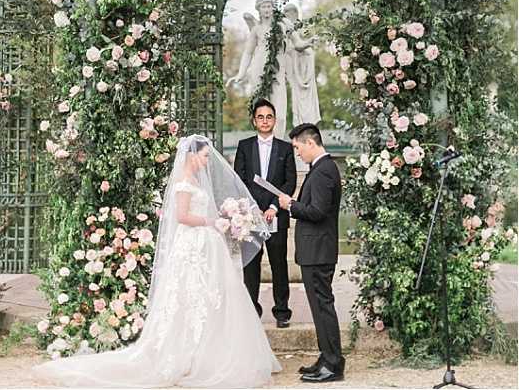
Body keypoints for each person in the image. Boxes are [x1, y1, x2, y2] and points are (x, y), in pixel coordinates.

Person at [37, 135, 281, 388]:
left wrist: (225, 217)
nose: (208, 160)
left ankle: (205, 351)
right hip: (192, 246)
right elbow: (183, 216)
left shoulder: (197, 180)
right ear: (192, 155)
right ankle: (186, 353)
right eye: (205, 155)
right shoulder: (184, 183)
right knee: (189, 296)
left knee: (211, 296)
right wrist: (212, 222)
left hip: (205, 245)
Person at [278, 123, 345, 384]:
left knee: (323, 306)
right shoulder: (321, 169)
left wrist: (290, 205)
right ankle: (326, 356)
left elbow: (317, 212)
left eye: (297, 147)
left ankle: (333, 364)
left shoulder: (324, 171)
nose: (297, 153)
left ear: (310, 143)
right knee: (319, 307)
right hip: (315, 250)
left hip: (319, 251)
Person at [234, 99, 297, 328]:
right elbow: (238, 180)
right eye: (260, 117)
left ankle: (282, 312)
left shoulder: (286, 148)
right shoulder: (244, 146)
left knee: (279, 264)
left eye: (269, 116)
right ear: (254, 120)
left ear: (274, 120)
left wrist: (272, 207)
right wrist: (253, 209)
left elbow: (290, 181)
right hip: (251, 217)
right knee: (251, 265)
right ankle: (252, 310)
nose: (264, 120)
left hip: (276, 216)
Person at [231, 0, 289, 137]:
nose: (267, 9)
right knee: (262, 114)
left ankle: (278, 146)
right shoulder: (256, 30)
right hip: (259, 70)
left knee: (279, 116)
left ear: (273, 8)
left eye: (269, 6)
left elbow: (296, 42)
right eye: (264, 7)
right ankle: (265, 146)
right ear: (259, 10)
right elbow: (248, 53)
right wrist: (241, 73)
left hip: (277, 72)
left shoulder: (281, 26)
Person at [282, 2, 322, 127]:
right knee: (298, 97)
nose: (294, 15)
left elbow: (300, 44)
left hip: (305, 68)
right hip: (296, 68)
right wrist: (309, 42)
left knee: (307, 97)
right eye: (291, 13)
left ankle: (307, 122)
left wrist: (308, 43)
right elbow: (297, 46)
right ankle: (301, 122)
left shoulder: (298, 28)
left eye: (295, 13)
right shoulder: (286, 28)